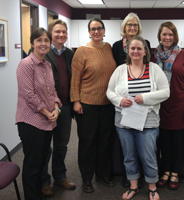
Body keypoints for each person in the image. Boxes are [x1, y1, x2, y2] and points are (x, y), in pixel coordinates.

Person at [106, 36, 169, 200]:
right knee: (129, 156)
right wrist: (119, 100)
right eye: (132, 48)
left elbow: (165, 92)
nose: (135, 51)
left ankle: (152, 188)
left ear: (145, 51)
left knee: (148, 156)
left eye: (139, 48)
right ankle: (133, 186)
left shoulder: (154, 68)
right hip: (124, 122)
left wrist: (146, 98)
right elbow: (109, 92)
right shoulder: (120, 69)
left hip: (148, 122)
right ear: (128, 50)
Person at [70, 18, 116, 193]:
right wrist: (76, 101)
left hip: (107, 104)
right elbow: (75, 79)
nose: (96, 31)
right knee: (88, 143)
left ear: (104, 31)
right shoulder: (81, 51)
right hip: (87, 105)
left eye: (99, 28)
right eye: (93, 29)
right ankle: (86, 178)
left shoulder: (108, 48)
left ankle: (102, 174)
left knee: (104, 141)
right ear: (89, 32)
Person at [16, 27, 62, 200]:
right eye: (39, 40)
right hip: (30, 122)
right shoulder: (26, 64)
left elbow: (53, 92)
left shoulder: (47, 65)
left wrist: (56, 109)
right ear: (32, 43)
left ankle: (37, 196)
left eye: (46, 40)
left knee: (42, 163)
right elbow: (29, 95)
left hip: (47, 121)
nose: (43, 44)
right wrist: (46, 111)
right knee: (33, 165)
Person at [112, 12, 151, 188]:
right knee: (126, 144)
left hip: (142, 101)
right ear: (124, 27)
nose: (132, 28)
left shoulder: (147, 44)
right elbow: (115, 73)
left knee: (143, 142)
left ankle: (141, 175)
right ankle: (128, 176)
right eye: (129, 25)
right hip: (124, 102)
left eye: (135, 25)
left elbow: (148, 67)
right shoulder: (116, 46)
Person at [154, 22, 184, 190]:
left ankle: (175, 172)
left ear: (175, 36)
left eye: (170, 34)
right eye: (164, 34)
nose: (167, 37)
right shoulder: (153, 55)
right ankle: (166, 170)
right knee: (163, 141)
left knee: (177, 141)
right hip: (159, 106)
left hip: (179, 105)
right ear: (160, 36)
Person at [41, 19, 75, 197]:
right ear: (50, 34)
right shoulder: (43, 53)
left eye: (64, 32)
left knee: (62, 145)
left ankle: (60, 176)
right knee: (46, 146)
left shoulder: (70, 54)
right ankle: (44, 181)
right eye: (57, 32)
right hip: (46, 110)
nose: (61, 35)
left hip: (65, 107)